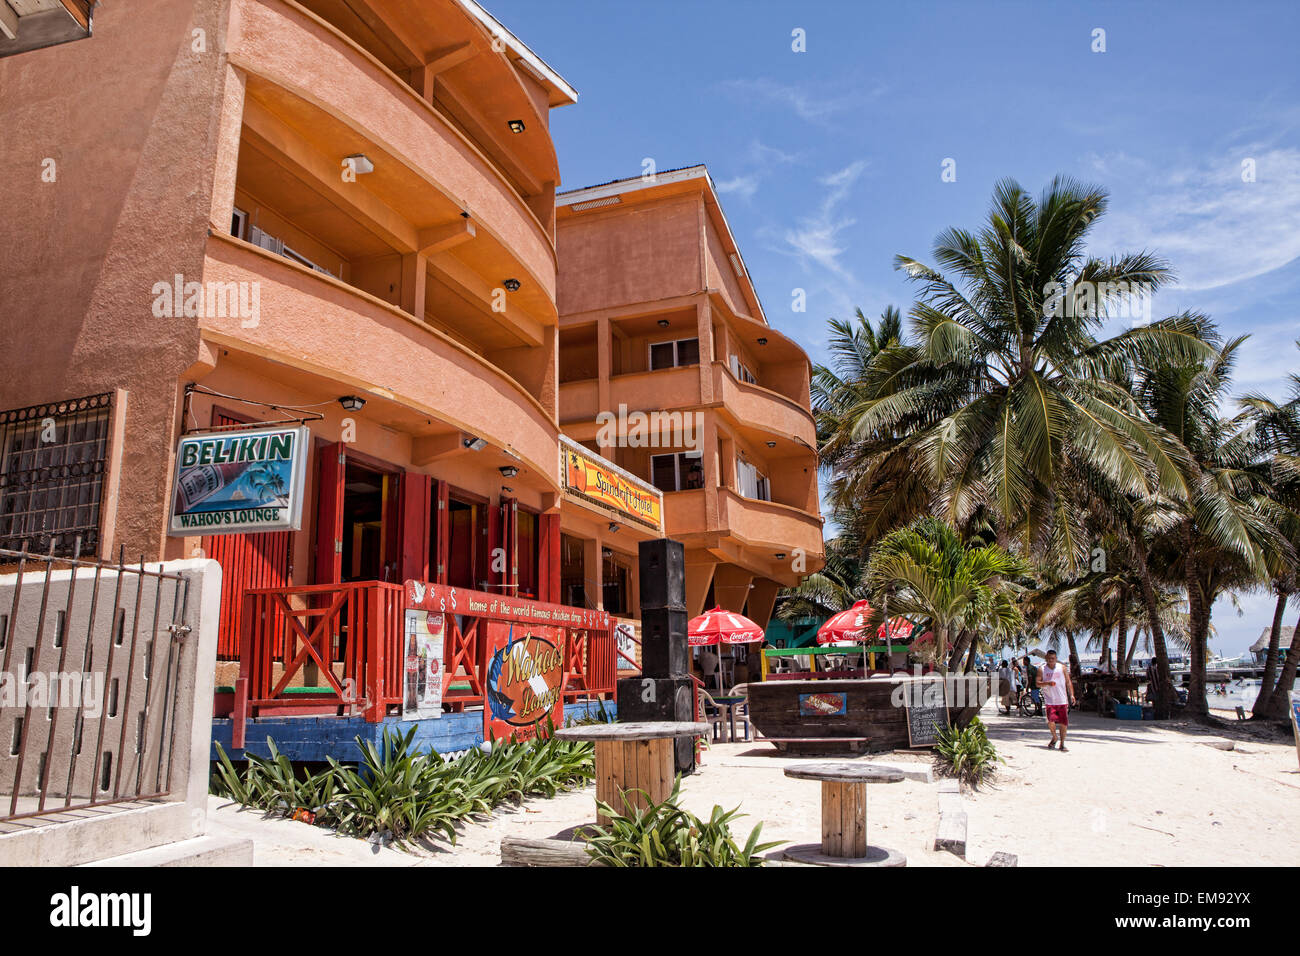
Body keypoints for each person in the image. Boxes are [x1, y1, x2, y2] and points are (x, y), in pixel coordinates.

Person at [1039, 649, 1076, 751]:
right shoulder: (1042, 669)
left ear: (1056, 659)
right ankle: (1055, 737)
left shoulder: (1062, 668)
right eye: (1049, 658)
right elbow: (1037, 683)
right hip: (1050, 700)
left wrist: (1072, 695)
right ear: (1046, 658)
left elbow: (1068, 682)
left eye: (1053, 658)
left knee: (1064, 723)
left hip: (1062, 700)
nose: (1051, 660)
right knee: (1051, 721)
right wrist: (1047, 683)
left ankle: (1062, 743)